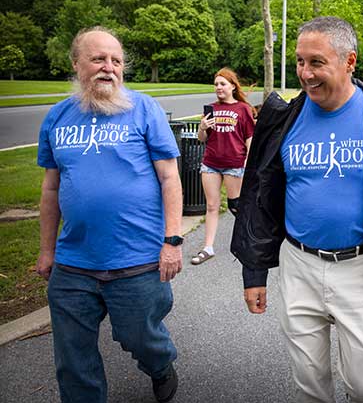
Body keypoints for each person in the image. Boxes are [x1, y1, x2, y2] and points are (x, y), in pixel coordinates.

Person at [231, 16, 363, 402]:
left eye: (316, 63)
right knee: (309, 383)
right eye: (299, 62)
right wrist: (254, 270)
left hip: (361, 269)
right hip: (298, 266)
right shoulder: (283, 118)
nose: (305, 74)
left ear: (349, 61)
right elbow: (258, 200)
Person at [36, 26, 183, 403]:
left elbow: (170, 177)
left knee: (142, 338)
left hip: (136, 260)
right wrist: (47, 250)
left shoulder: (144, 109)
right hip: (73, 263)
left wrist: (172, 240)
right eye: (98, 58)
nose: (109, 67)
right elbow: (51, 189)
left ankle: (160, 364)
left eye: (116, 60)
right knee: (72, 359)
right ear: (76, 64)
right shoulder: (57, 118)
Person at [192, 68, 255, 265]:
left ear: (233, 87)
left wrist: (248, 161)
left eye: (222, 84)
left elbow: (249, 137)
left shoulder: (243, 109)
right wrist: (202, 127)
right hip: (211, 163)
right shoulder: (210, 109)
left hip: (234, 164)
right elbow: (202, 139)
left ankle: (250, 241)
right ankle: (207, 248)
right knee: (212, 206)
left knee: (236, 206)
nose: (218, 87)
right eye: (216, 84)